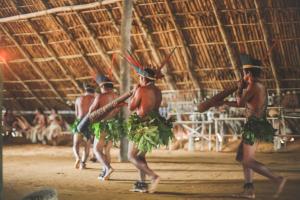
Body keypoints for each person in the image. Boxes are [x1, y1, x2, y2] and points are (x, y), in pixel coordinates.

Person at [219, 65, 286, 199]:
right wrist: (224, 102)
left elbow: (240, 102)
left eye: (244, 73)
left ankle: (276, 178)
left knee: (247, 160)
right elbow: (245, 103)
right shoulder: (257, 86)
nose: (243, 76)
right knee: (243, 158)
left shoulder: (254, 86)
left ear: (248, 73)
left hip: (254, 126)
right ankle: (249, 190)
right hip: (255, 124)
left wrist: (239, 88)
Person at [127, 68, 173, 193]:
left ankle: (153, 176)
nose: (139, 80)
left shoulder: (141, 90)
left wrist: (135, 92)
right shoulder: (158, 91)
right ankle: (142, 184)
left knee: (130, 156)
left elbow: (131, 107)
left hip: (142, 126)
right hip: (155, 126)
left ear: (143, 78)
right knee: (140, 156)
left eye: (139, 78)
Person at [88, 75, 123, 181]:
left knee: (97, 149)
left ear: (102, 86)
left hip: (102, 125)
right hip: (112, 126)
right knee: (107, 150)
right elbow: (117, 111)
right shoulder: (117, 96)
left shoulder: (100, 96)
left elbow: (91, 111)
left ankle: (108, 168)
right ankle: (105, 172)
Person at [72, 83, 95, 169]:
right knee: (87, 145)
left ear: (85, 91)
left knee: (75, 144)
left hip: (79, 122)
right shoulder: (94, 99)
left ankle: (78, 158)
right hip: (89, 122)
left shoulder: (78, 99)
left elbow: (77, 113)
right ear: (93, 92)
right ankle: (83, 164)